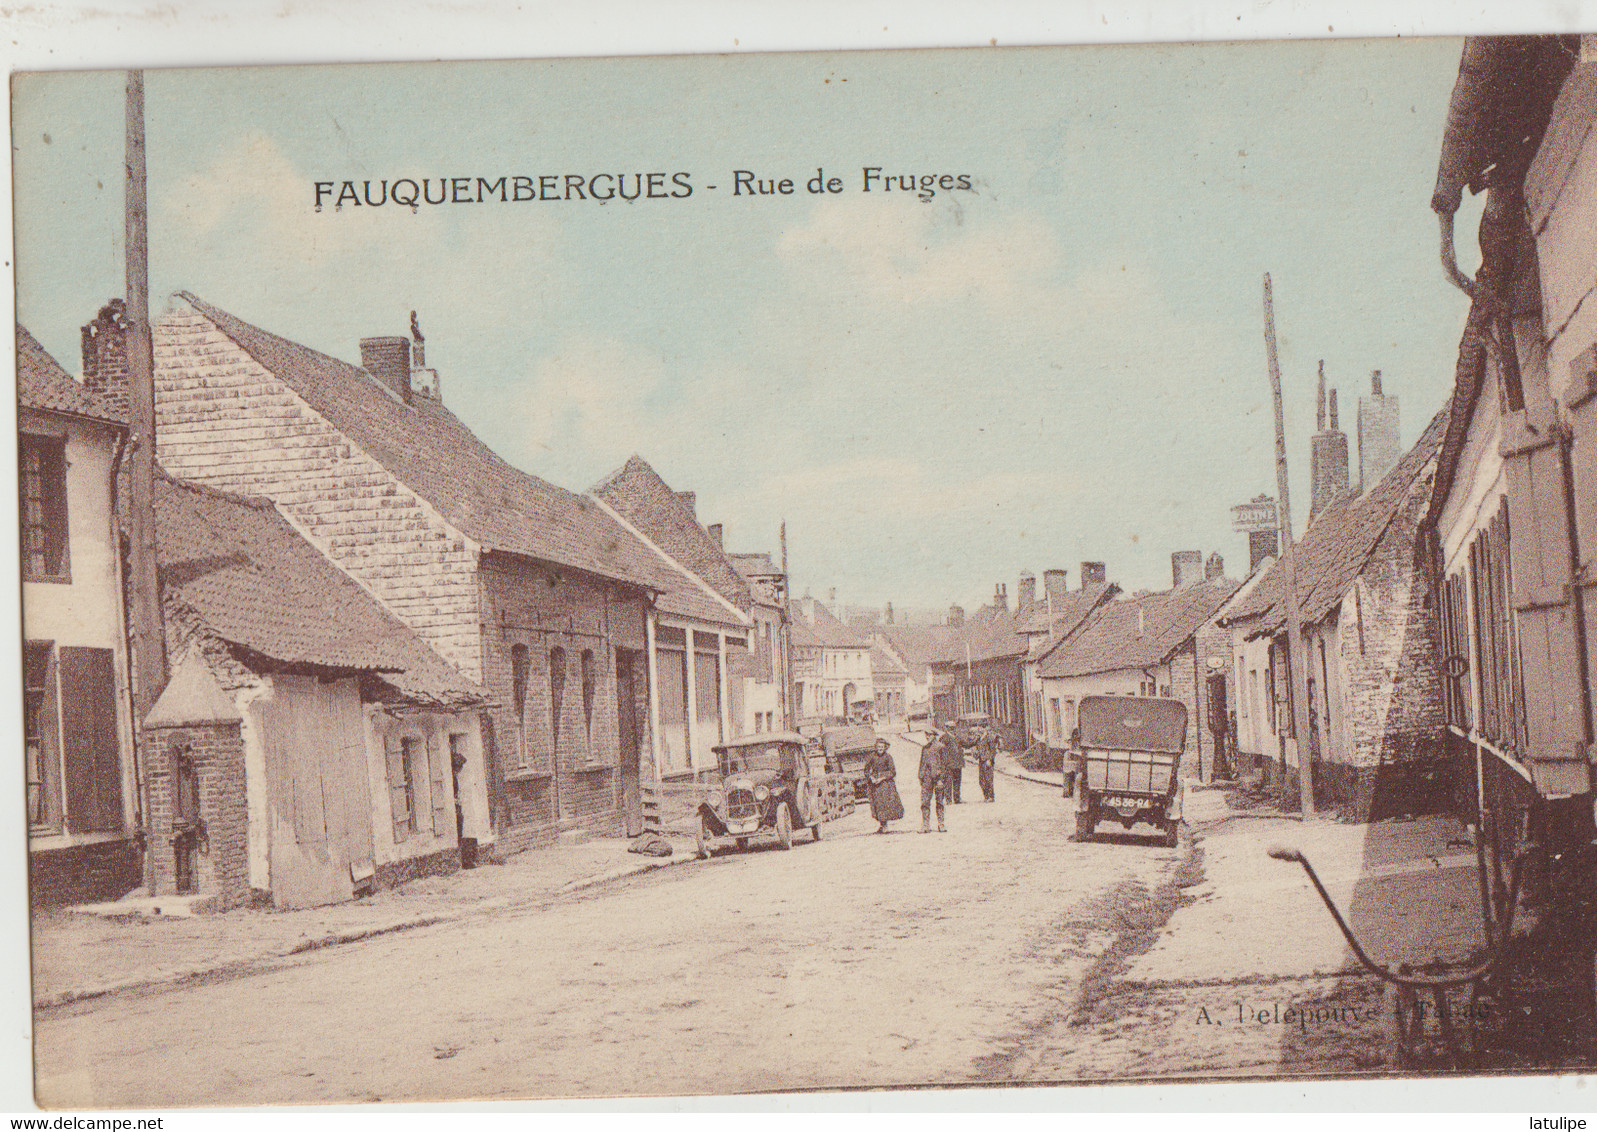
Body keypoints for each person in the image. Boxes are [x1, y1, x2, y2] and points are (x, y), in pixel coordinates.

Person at [863, 738, 904, 833]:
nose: (880, 749)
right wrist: (871, 778)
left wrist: (882, 778)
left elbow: (893, 772)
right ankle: (882, 825)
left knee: (886, 804)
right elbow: (866, 770)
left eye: (882, 747)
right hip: (875, 784)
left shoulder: (888, 757)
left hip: (886, 784)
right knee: (878, 804)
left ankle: (885, 825)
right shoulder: (872, 757)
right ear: (875, 747)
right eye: (878, 747)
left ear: (885, 747)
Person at [918, 732, 947, 833]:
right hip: (927, 778)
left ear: (934, 735)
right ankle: (926, 825)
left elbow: (944, 765)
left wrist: (941, 779)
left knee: (939, 801)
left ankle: (941, 824)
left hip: (938, 778)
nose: (927, 737)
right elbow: (922, 763)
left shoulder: (941, 747)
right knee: (925, 802)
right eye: (926, 735)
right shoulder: (925, 748)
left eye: (929, 735)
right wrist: (920, 776)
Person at [944, 725, 967, 804]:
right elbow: (941, 751)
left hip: (958, 764)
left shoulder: (957, 737)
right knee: (948, 782)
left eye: (953, 728)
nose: (952, 730)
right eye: (950, 728)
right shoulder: (944, 738)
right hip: (949, 764)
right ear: (947, 728)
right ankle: (948, 799)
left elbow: (966, 744)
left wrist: (976, 739)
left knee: (957, 781)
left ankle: (957, 799)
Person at [976, 725, 998, 802]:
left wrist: (990, 759)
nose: (979, 729)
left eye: (981, 728)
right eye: (978, 728)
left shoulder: (989, 738)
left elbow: (993, 750)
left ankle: (991, 797)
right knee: (981, 780)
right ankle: (986, 796)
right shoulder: (979, 738)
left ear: (984, 729)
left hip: (987, 761)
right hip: (981, 761)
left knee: (988, 779)